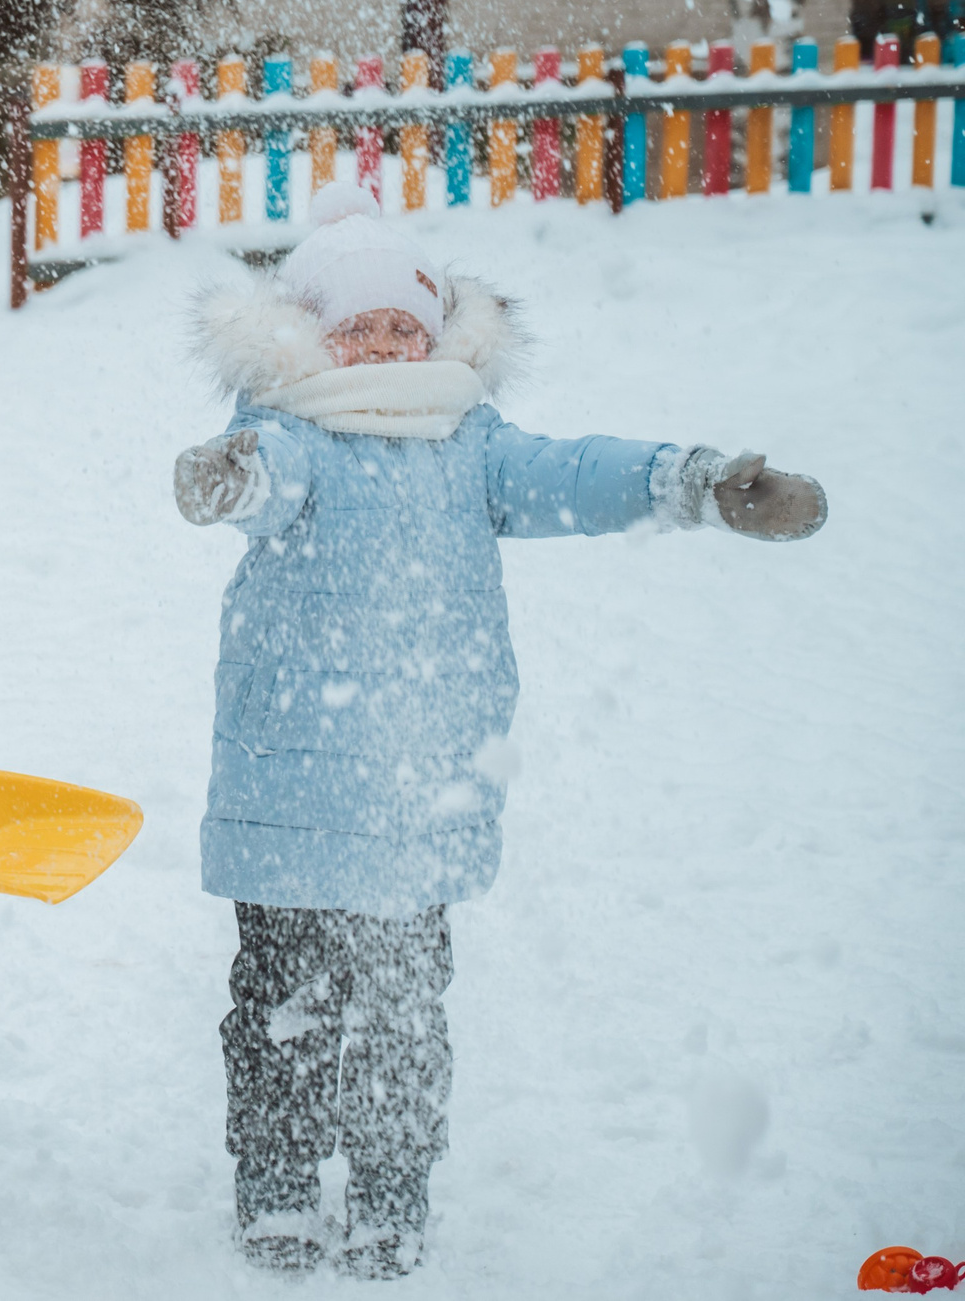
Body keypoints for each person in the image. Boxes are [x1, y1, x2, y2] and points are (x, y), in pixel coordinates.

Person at [173, 183, 826, 1279]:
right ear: (306, 333)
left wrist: (695, 480)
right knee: (281, 1008)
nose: (381, 345)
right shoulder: (290, 434)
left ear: (434, 333)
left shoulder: (469, 442)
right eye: (356, 325)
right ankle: (278, 1191)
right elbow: (260, 482)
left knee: (399, 1015)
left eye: (402, 325)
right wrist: (226, 477)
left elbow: (574, 471)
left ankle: (388, 1194)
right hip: (294, 788)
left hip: (419, 781)